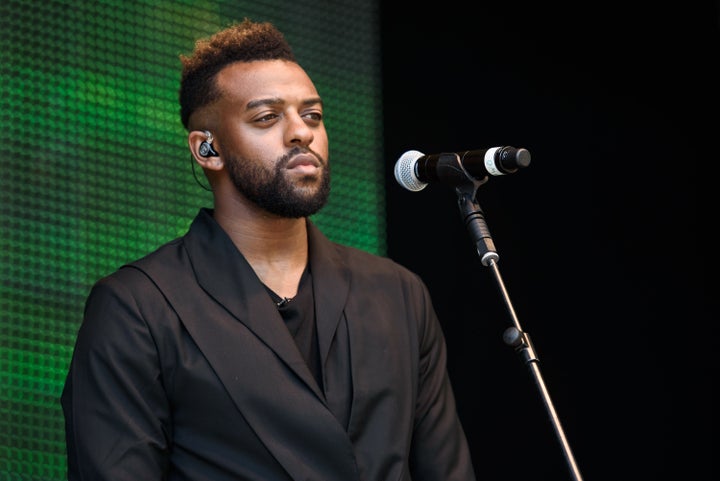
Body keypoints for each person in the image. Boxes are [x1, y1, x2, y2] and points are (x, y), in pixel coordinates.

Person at [61, 18, 477, 481]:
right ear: (207, 149)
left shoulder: (398, 294)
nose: (301, 133)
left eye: (312, 115)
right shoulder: (136, 306)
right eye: (267, 117)